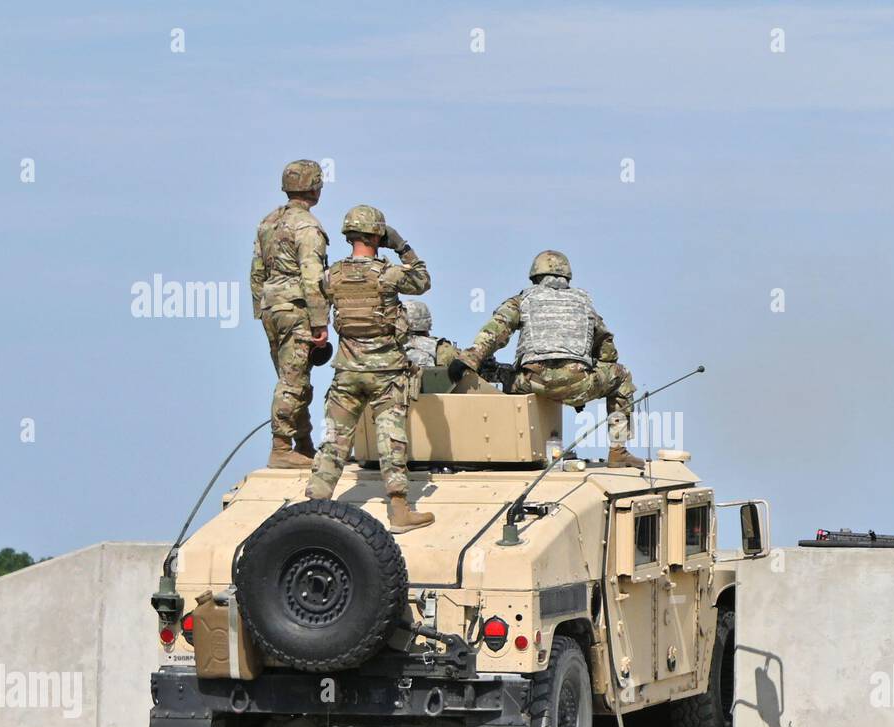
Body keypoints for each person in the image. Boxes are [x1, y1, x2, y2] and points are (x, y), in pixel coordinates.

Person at [450, 250, 644, 468]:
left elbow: (496, 331)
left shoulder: (523, 300)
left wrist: (471, 359)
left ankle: (491, 446)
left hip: (532, 381)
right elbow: (608, 351)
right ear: (567, 278)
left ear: (535, 277)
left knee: (489, 371)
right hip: (578, 382)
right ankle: (618, 451)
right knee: (622, 375)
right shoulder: (584, 304)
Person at [305, 205, 434, 532]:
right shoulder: (389, 274)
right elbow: (423, 281)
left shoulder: (332, 275)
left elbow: (316, 294)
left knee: (334, 439)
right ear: (379, 235)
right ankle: (400, 510)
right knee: (391, 438)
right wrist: (402, 245)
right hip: (386, 372)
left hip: (347, 371)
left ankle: (314, 505)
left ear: (348, 236)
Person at [250, 159, 330, 468]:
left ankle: (303, 444)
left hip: (272, 308)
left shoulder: (268, 222)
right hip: (296, 309)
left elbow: (257, 271)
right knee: (293, 382)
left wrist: (262, 309)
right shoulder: (308, 227)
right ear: (314, 188)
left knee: (293, 377)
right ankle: (282, 448)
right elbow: (313, 276)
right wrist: (320, 321)